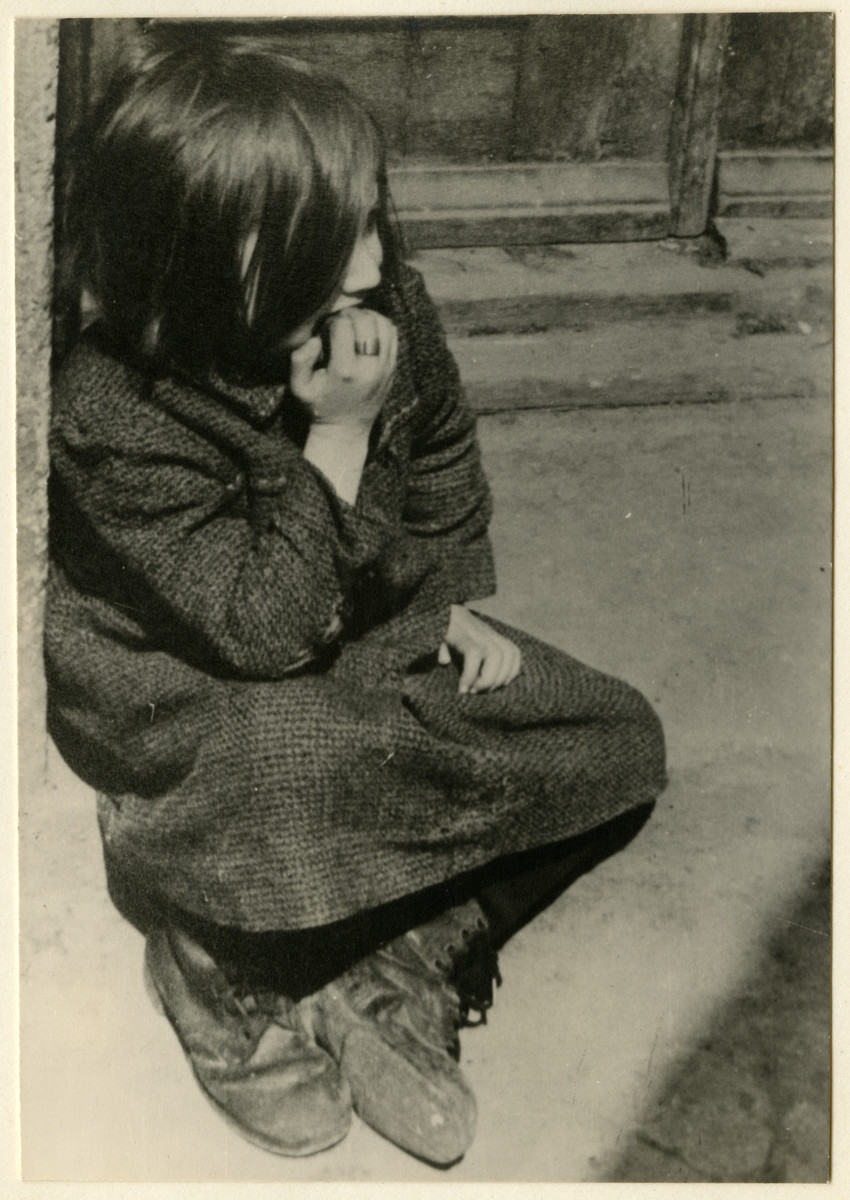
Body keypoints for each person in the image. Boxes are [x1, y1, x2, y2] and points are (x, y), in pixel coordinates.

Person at [45, 31, 667, 1167]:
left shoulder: (385, 310)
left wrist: (443, 605)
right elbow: (260, 634)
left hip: (361, 639)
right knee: (289, 756)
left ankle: (400, 954)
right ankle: (220, 963)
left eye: (370, 222)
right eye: (323, 246)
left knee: (613, 741)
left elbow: (441, 462)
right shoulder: (116, 409)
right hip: (200, 701)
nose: (369, 267)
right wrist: (336, 433)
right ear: (196, 262)